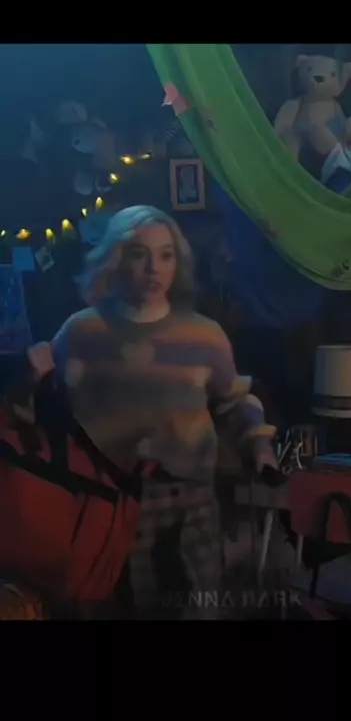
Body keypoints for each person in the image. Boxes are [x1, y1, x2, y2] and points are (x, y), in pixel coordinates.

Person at [49, 205, 278, 619]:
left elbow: (235, 402)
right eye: (140, 254)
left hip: (191, 502)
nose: (154, 267)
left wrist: (259, 445)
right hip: (112, 506)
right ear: (117, 257)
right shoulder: (81, 332)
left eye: (166, 255)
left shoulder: (203, 335)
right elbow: (49, 408)